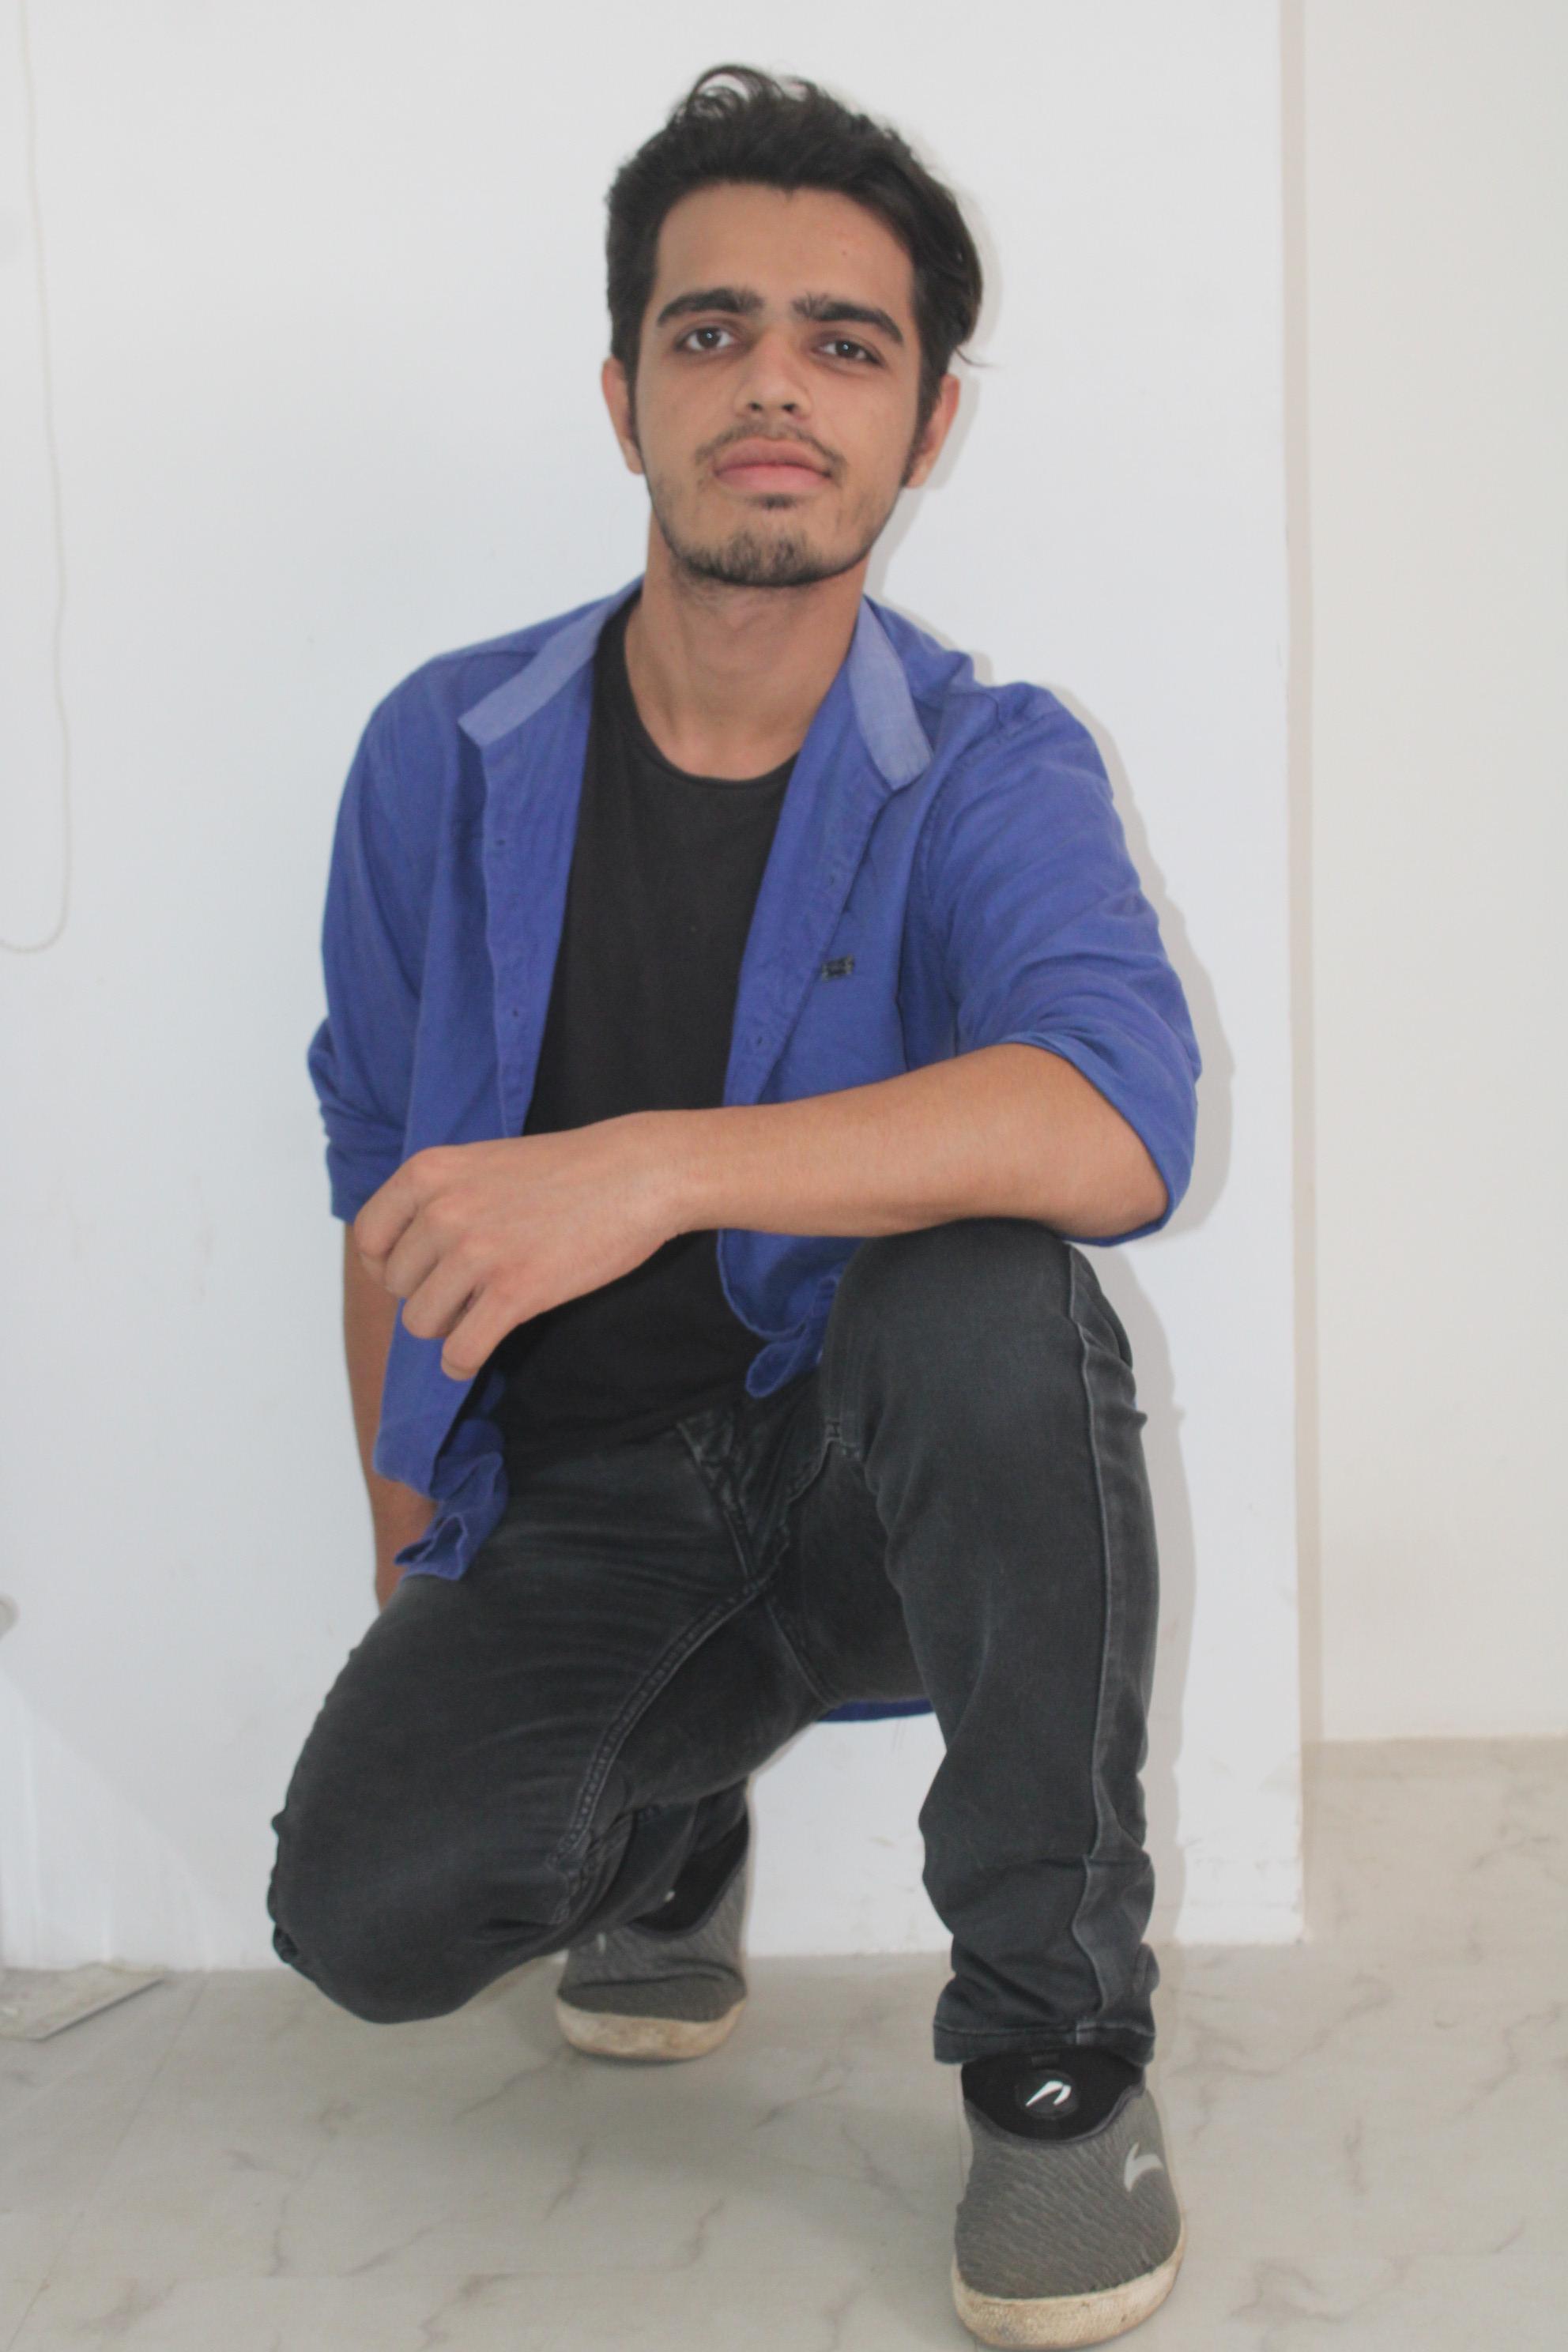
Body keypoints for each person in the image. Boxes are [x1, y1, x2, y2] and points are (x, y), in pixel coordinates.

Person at [267, 62, 1200, 2349]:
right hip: (584, 1505)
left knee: (991, 1292)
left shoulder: (988, 762)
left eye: (843, 344)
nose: (774, 386)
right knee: (369, 1921)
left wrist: (653, 1165)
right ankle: (664, 1819)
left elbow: (1118, 1119)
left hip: (866, 1480)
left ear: (926, 421)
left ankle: (1058, 2062)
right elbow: (384, 1185)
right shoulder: (441, 752)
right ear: (625, 395)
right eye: (712, 333)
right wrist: (412, 1555)